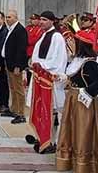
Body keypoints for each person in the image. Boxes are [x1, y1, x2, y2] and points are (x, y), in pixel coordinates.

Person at [57, 32, 98, 173]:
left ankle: (83, 172)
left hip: (83, 102)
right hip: (73, 99)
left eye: (73, 41)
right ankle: (75, 165)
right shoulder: (77, 61)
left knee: (83, 133)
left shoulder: (89, 63)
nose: (70, 44)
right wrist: (65, 79)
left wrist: (86, 93)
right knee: (71, 131)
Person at [26, 11, 67, 154]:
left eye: (44, 20)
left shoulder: (57, 37)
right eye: (40, 19)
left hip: (50, 79)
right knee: (41, 109)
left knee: (52, 111)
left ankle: (52, 140)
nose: (41, 22)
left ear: (52, 21)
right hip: (40, 77)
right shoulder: (44, 35)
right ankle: (42, 137)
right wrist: (34, 63)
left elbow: (58, 59)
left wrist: (42, 65)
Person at [2, 9, 29, 124]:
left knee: (19, 89)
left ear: (16, 18)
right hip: (9, 63)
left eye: (10, 17)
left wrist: (18, 65)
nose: (7, 19)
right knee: (12, 88)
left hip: (15, 65)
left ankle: (21, 113)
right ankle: (14, 109)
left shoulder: (20, 30)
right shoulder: (11, 29)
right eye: (6, 17)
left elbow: (21, 49)